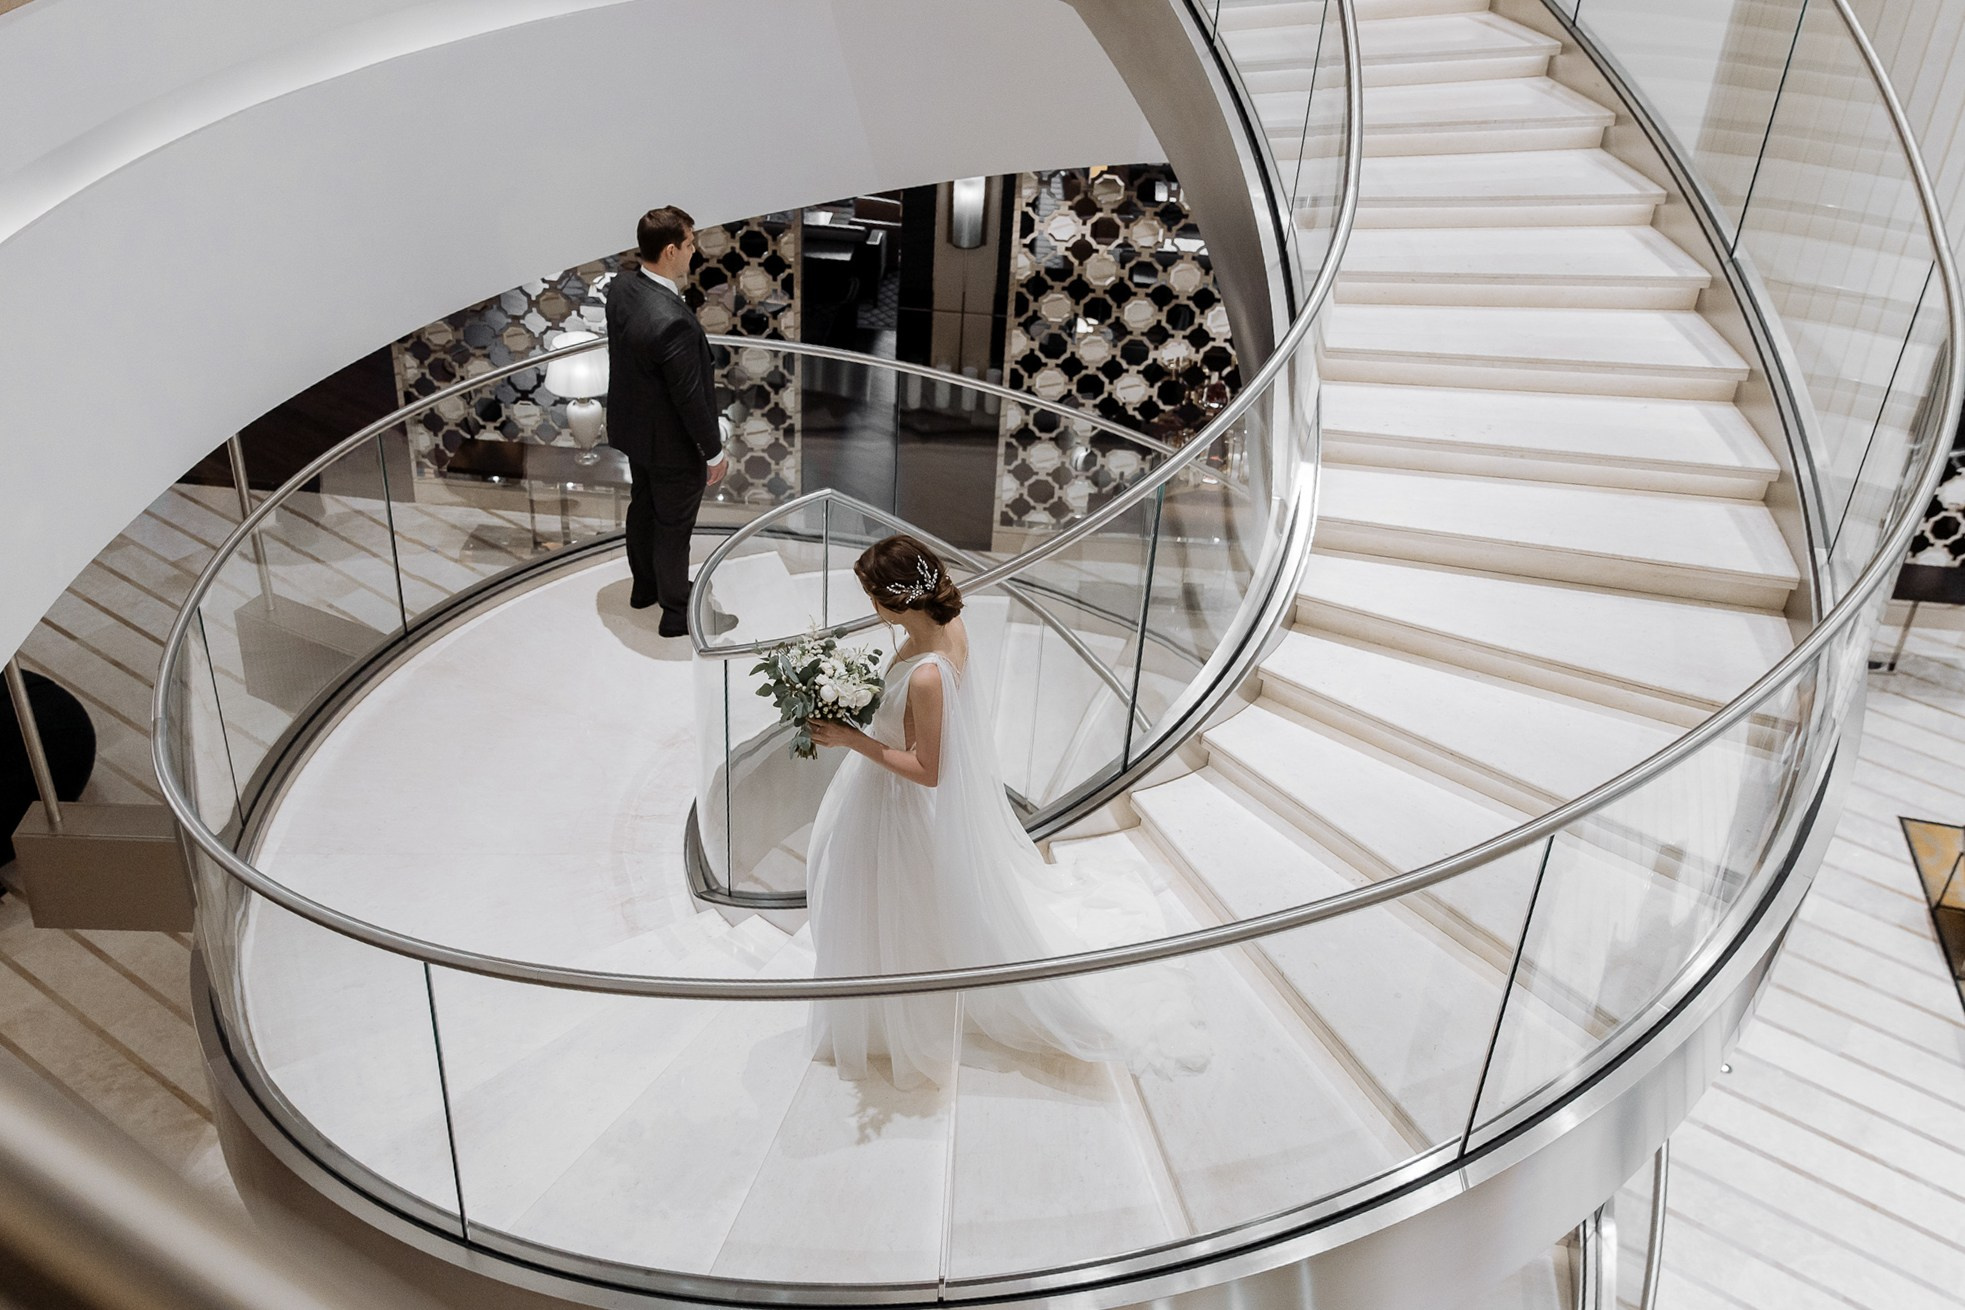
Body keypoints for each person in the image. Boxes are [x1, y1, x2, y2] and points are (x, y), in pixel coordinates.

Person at [805, 534, 1207, 1090]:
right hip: (885, 786)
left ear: (895, 602)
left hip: (896, 796)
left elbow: (930, 770)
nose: (869, 606)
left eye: (871, 595)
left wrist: (852, 739)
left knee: (890, 902)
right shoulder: (943, 627)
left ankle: (898, 1008)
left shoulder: (928, 672)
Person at [604, 205, 734, 637]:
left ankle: (646, 588)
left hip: (635, 432)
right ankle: (677, 612)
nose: (695, 252)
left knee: (643, 508)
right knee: (673, 527)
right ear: (672, 249)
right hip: (671, 444)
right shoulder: (673, 322)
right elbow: (691, 398)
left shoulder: (622, 287)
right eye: (692, 243)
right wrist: (713, 453)